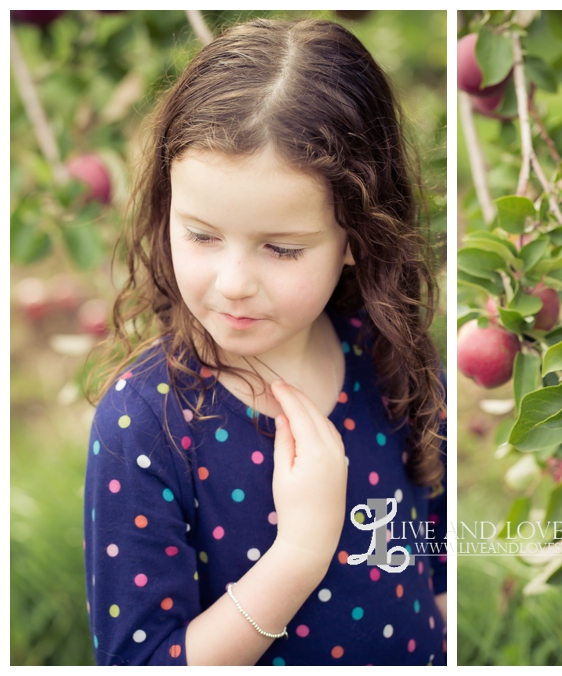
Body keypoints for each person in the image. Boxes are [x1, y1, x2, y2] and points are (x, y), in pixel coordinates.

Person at [84, 18, 447, 666]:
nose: (233, 283)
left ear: (358, 238)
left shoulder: (389, 358)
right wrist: (301, 551)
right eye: (200, 234)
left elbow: (435, 556)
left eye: (280, 248)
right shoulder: (144, 422)